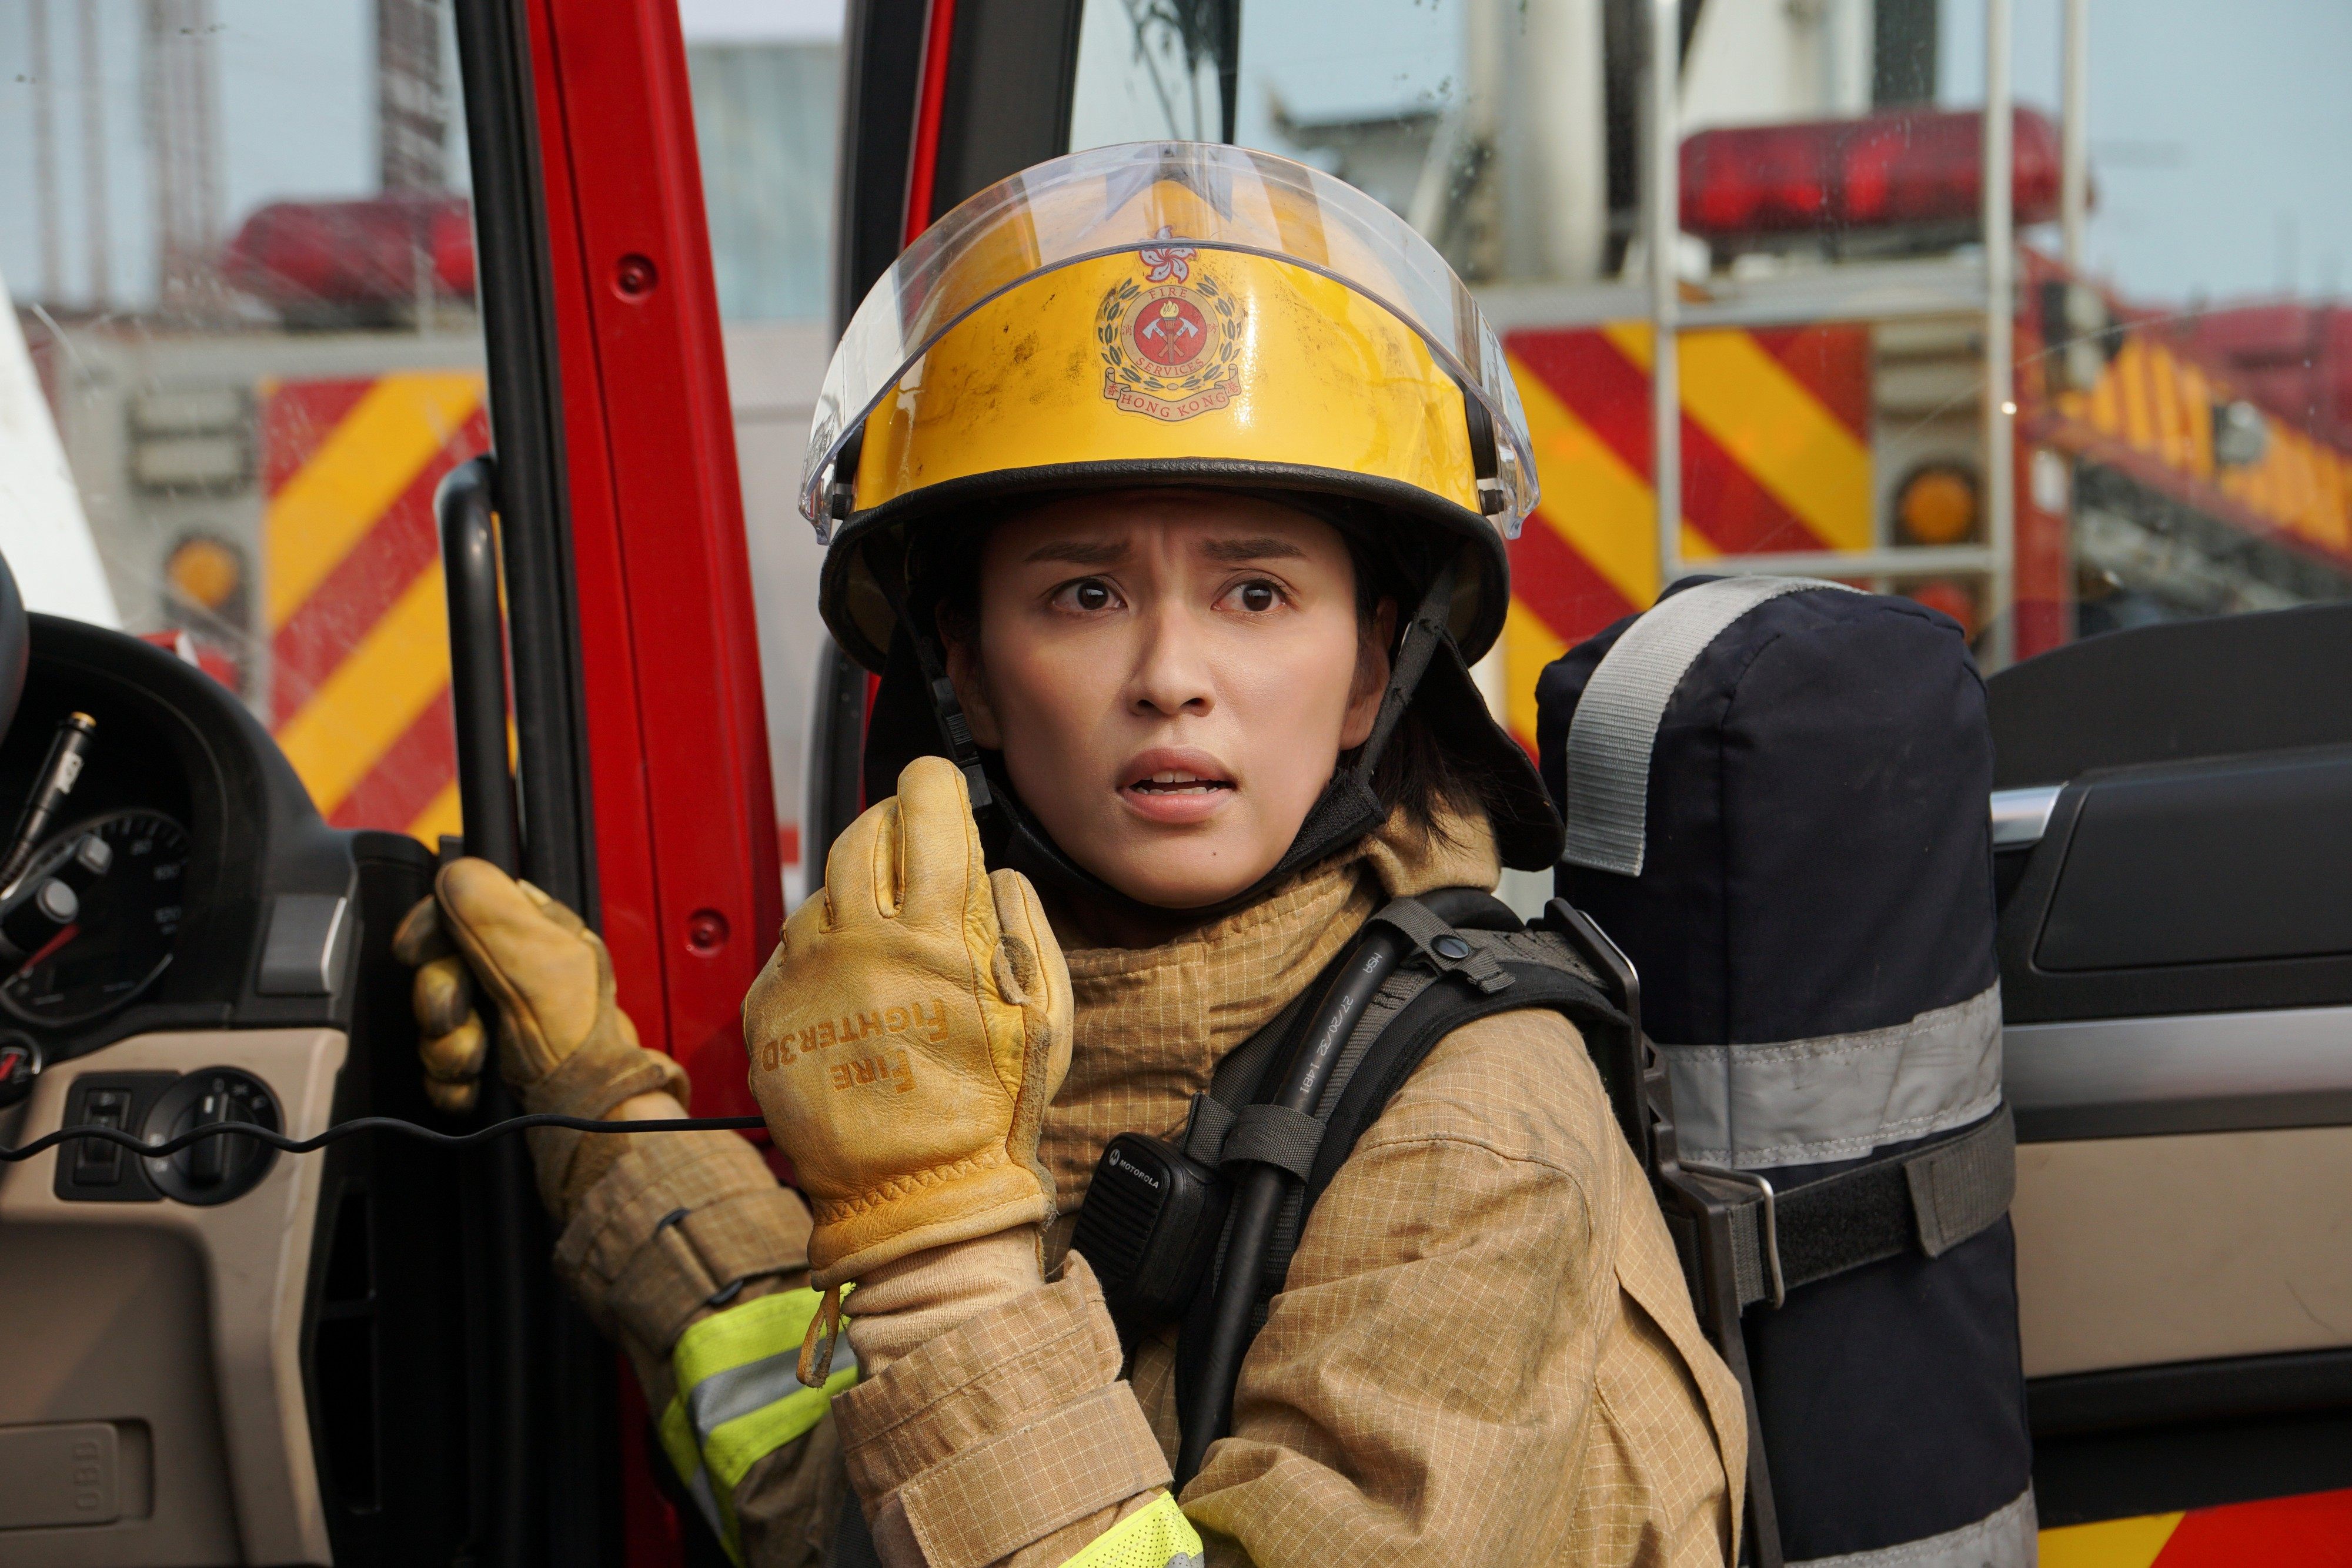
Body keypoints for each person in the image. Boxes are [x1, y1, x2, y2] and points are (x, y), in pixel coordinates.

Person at [397, 142, 1745, 1567]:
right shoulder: (1002, 1049)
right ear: (965, 672)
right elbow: (830, 1503)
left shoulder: (1469, 1124)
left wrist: (944, 1263)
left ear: (1370, 672)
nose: (1170, 673)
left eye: (1255, 589)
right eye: (1085, 591)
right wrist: (605, 1117)